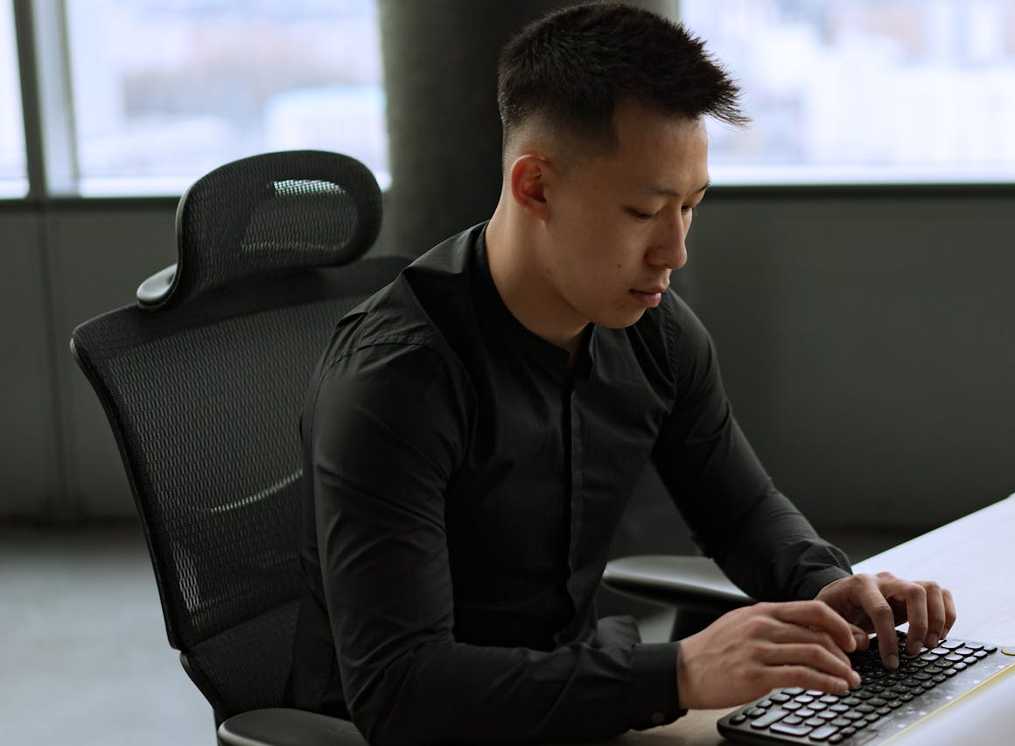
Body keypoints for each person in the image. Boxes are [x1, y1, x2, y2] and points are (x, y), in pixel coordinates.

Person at [285, 3, 957, 744]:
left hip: (581, 706)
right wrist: (675, 675)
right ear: (535, 186)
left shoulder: (655, 332)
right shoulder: (398, 381)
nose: (674, 251)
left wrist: (830, 588)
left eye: (691, 207)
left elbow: (740, 510)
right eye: (645, 211)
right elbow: (401, 693)